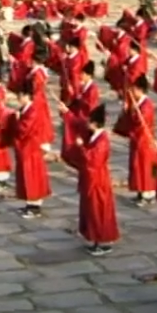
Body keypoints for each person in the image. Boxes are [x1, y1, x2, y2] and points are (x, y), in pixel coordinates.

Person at [63, 105, 121, 256]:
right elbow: (79, 123)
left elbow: (92, 161)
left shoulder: (102, 141)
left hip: (97, 180)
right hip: (92, 178)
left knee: (98, 211)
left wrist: (81, 148)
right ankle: (94, 238)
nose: (87, 123)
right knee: (91, 210)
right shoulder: (95, 135)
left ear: (96, 124)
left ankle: (101, 241)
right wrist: (68, 113)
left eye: (90, 121)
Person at [8, 75, 53, 218]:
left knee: (32, 176)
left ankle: (35, 206)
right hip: (26, 148)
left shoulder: (32, 111)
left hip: (31, 148)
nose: (18, 98)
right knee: (26, 176)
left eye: (20, 96)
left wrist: (16, 120)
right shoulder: (26, 109)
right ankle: (30, 203)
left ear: (26, 96)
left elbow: (23, 129)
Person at [114, 76, 157, 206]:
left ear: (140, 90)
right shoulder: (138, 104)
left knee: (146, 168)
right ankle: (140, 192)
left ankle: (148, 195)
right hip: (138, 141)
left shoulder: (147, 106)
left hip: (145, 141)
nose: (132, 92)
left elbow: (140, 123)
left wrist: (132, 113)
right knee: (137, 168)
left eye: (134, 89)